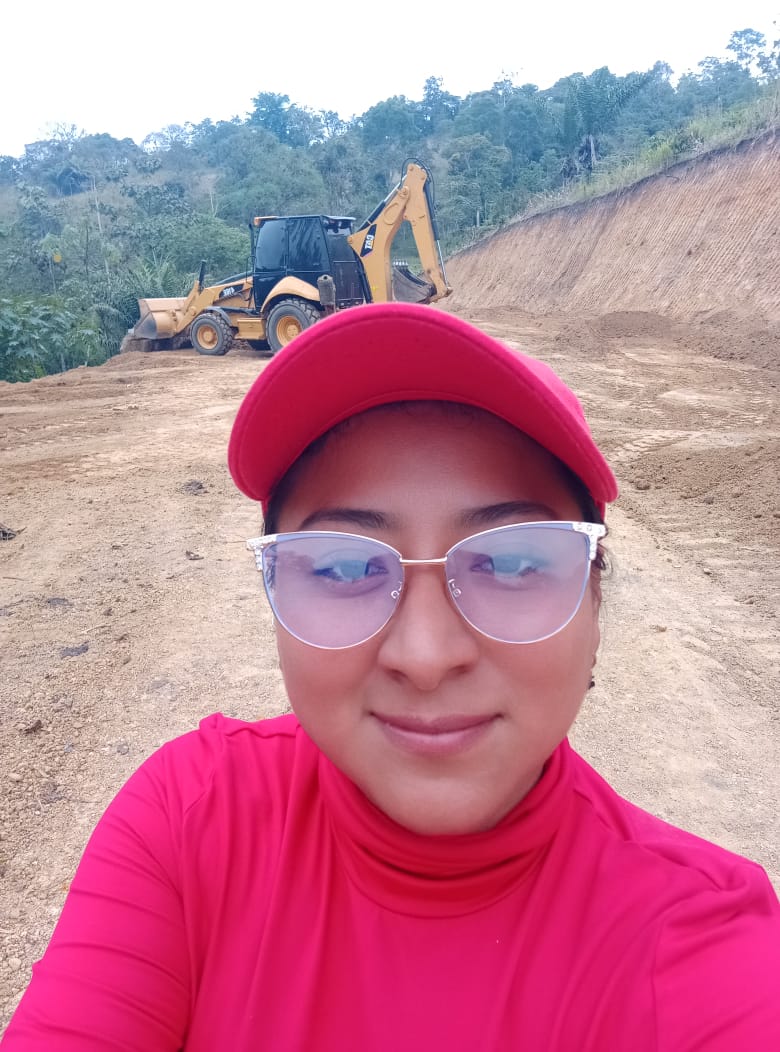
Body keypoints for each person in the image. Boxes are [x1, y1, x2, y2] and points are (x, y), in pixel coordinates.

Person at [2, 303, 779, 1050]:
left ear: (594, 595)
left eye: (512, 562)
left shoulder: (702, 945)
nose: (426, 656)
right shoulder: (193, 820)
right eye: (344, 568)